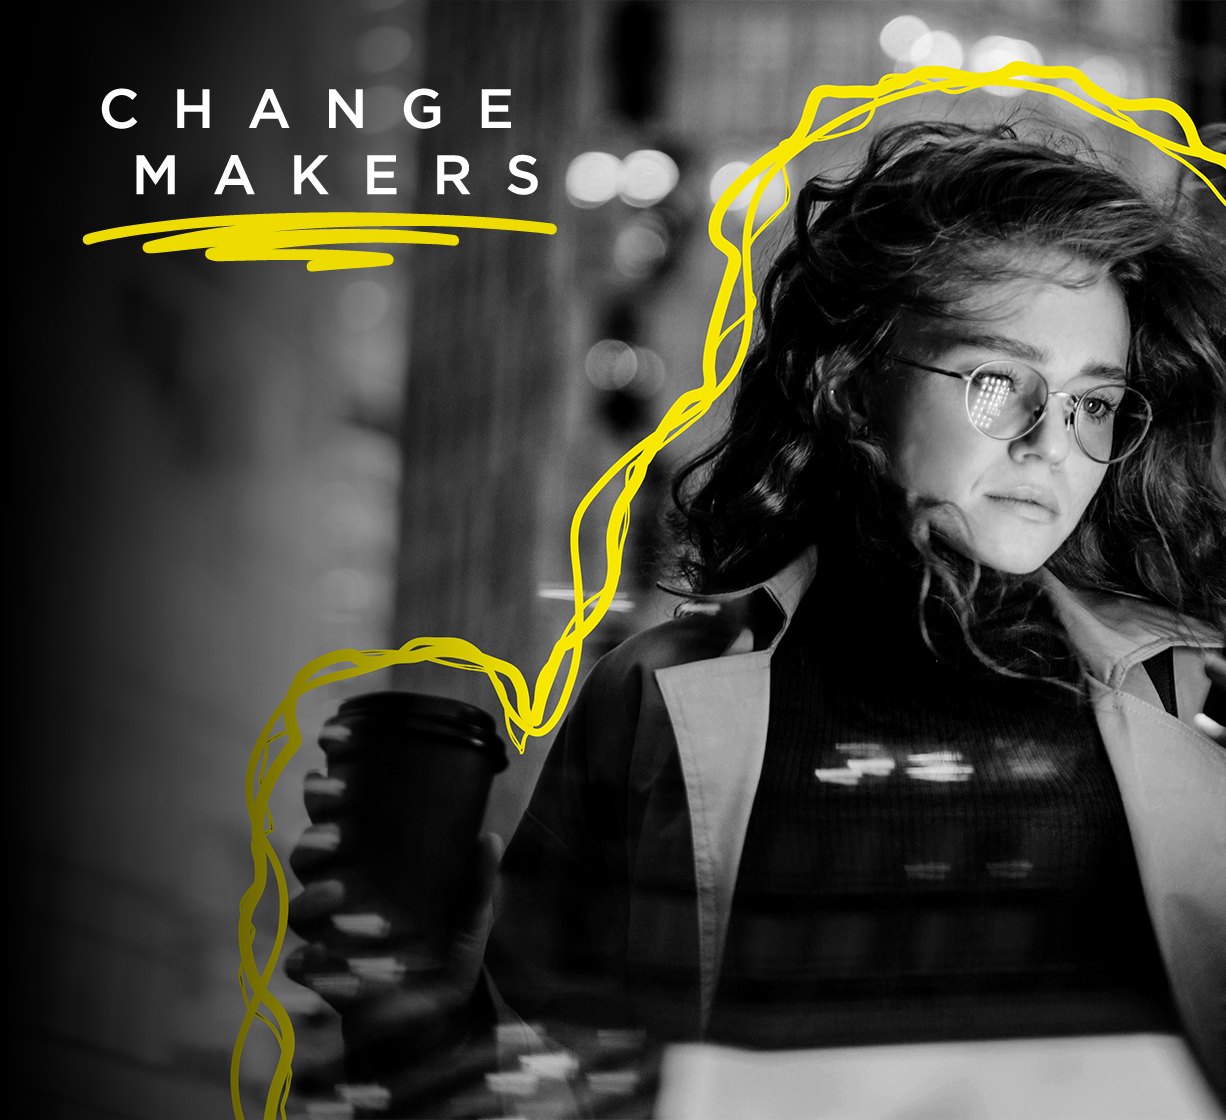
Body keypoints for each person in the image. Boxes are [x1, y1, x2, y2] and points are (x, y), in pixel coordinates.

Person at [287, 121, 1226, 1106]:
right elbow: (537, 1078)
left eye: (1092, 403)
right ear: (851, 383)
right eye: (998, 383)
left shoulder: (1192, 702)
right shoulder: (655, 697)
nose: (1051, 445)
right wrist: (414, 1013)